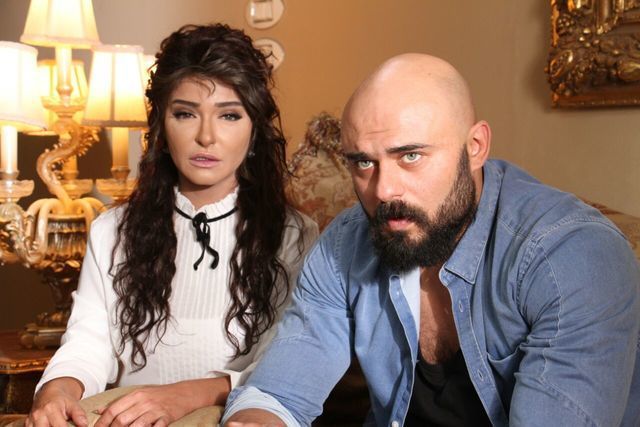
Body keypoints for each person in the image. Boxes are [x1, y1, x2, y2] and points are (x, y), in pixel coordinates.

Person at [221, 53, 640, 426]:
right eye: (364, 163)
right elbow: (280, 391)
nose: (384, 190)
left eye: (410, 156)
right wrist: (257, 419)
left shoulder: (572, 255)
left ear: (475, 147)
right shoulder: (346, 242)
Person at [27, 23, 317, 427]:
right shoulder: (112, 229)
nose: (206, 136)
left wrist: (185, 396)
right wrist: (56, 392)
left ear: (254, 132)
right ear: (162, 126)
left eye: (229, 115)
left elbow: (284, 363)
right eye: (185, 113)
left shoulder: (293, 234)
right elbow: (88, 342)